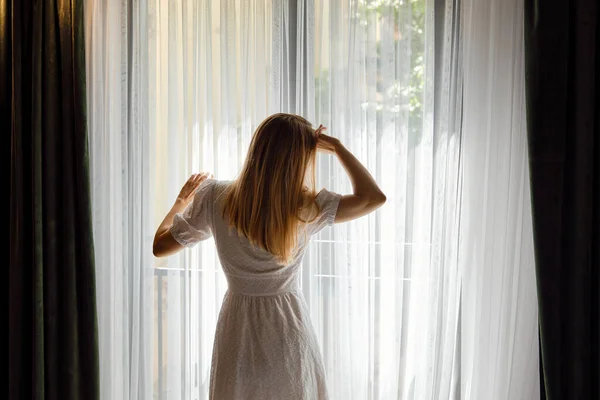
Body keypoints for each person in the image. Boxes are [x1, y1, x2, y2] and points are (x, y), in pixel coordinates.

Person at [153, 113, 386, 399]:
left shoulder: (213, 196)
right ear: (301, 157)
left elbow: (160, 246)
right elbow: (373, 197)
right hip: (288, 325)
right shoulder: (307, 205)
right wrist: (337, 147)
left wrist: (180, 203)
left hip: (238, 326)